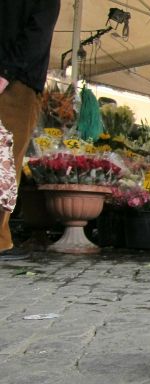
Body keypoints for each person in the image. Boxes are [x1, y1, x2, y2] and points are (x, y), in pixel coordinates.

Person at [0, 0, 61, 260]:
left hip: (17, 83)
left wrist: (5, 73)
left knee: (6, 162)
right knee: (6, 163)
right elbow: (35, 36)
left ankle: (1, 237)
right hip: (16, 81)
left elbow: (36, 36)